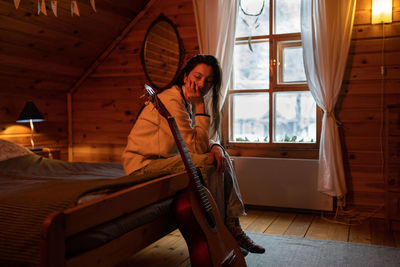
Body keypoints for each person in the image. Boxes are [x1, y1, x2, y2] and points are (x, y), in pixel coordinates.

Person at [122, 54, 265, 255]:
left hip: (167, 161)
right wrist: (200, 106)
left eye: (208, 81)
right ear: (186, 76)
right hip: (143, 166)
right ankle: (222, 230)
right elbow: (196, 148)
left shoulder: (184, 99)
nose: (201, 84)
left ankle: (232, 225)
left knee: (220, 157)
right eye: (197, 77)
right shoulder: (172, 100)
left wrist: (216, 146)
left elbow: (199, 141)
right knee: (208, 162)